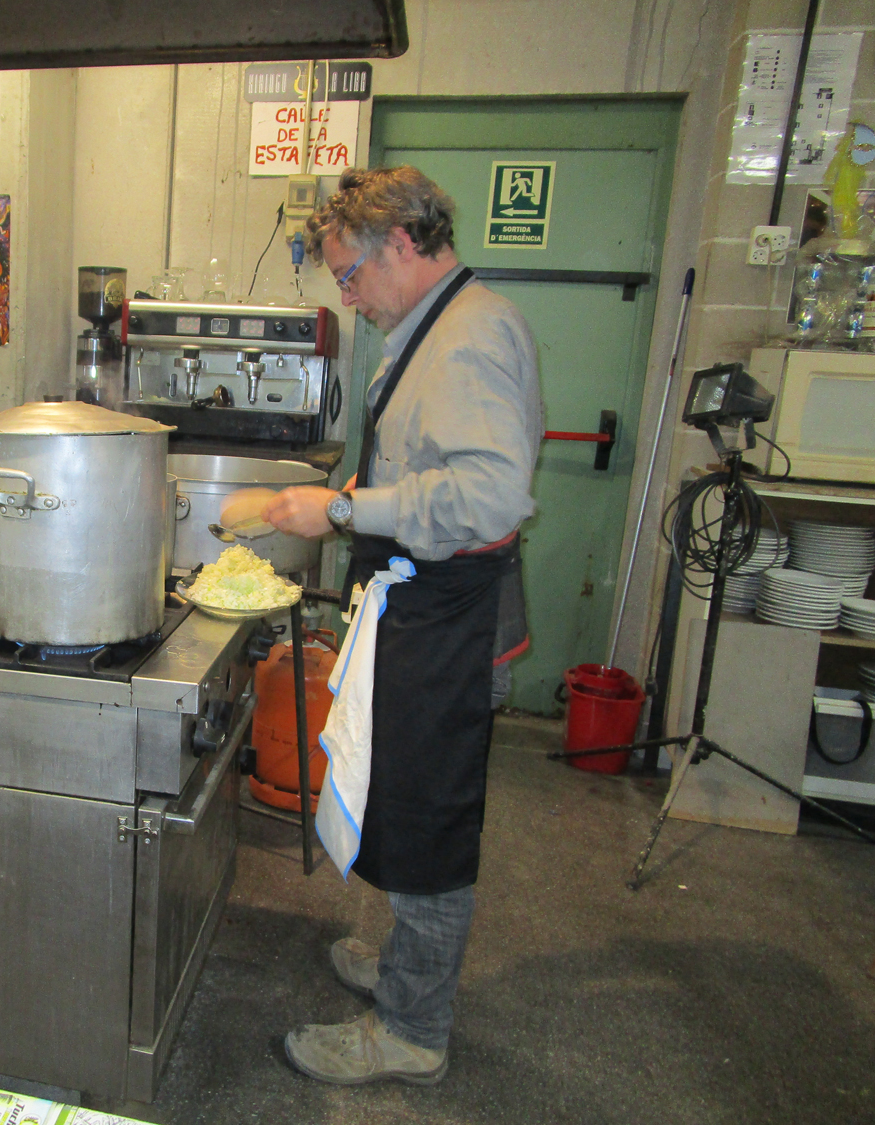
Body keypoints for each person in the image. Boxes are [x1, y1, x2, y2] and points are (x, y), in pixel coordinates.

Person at [265, 166, 542, 1086]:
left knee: (430, 822)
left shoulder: (470, 336)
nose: (348, 296)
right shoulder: (433, 325)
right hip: (421, 603)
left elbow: (491, 495)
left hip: (452, 614)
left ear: (402, 242)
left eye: (350, 274)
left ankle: (414, 1029)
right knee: (403, 796)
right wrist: (361, 492)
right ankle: (405, 968)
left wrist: (345, 512)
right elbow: (433, 464)